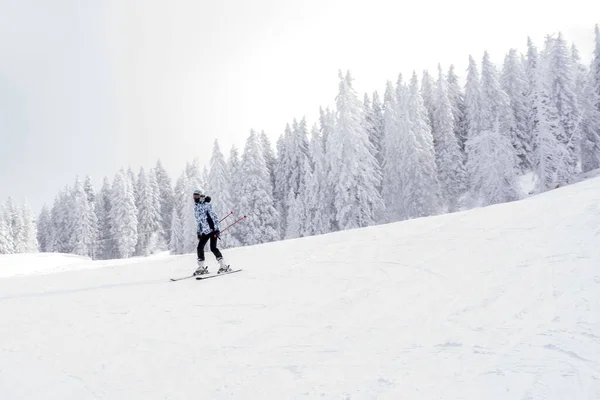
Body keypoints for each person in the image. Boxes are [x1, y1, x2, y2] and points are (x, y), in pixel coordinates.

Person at [192, 189, 230, 275]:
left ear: (200, 196)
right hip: (204, 232)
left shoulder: (207, 205)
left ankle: (223, 265)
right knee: (200, 248)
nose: (195, 197)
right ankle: (201, 267)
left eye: (197, 195)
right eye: (194, 196)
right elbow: (199, 221)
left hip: (212, 230)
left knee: (213, 248)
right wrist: (198, 232)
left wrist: (216, 229)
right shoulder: (196, 207)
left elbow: (214, 217)